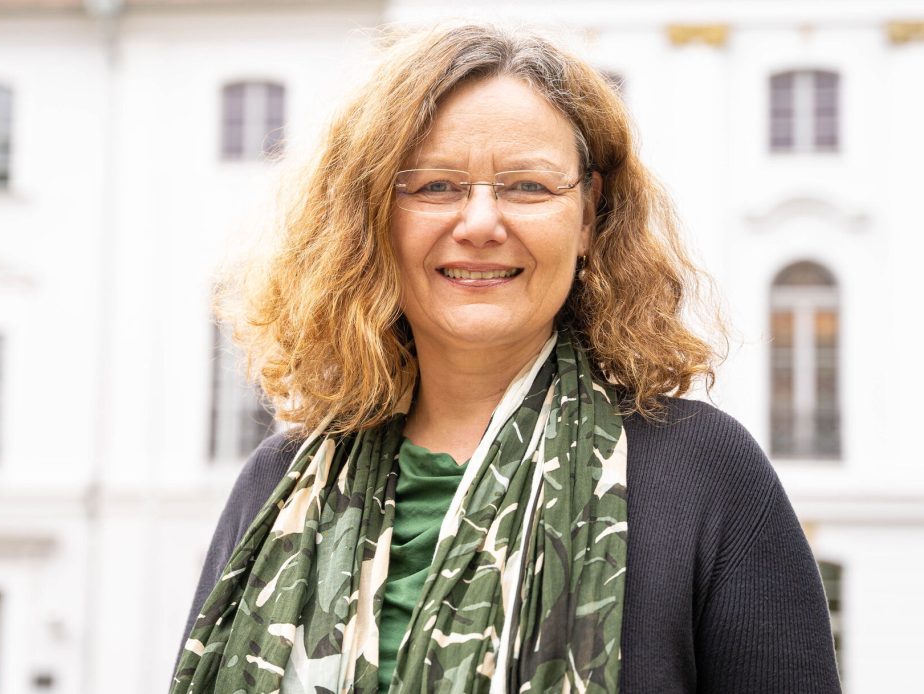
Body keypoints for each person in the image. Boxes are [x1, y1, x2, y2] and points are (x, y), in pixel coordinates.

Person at [171, 23, 840, 694]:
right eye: (435, 186)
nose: (482, 223)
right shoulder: (277, 487)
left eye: (527, 186)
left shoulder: (702, 476)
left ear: (587, 217)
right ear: (370, 219)